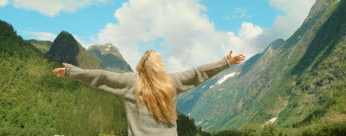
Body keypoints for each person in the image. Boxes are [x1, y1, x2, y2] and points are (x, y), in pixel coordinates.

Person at [52, 50, 245, 136]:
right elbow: (198, 73)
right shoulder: (172, 82)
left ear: (141, 65)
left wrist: (71, 71)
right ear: (159, 65)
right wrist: (225, 62)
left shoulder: (130, 82)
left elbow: (102, 77)